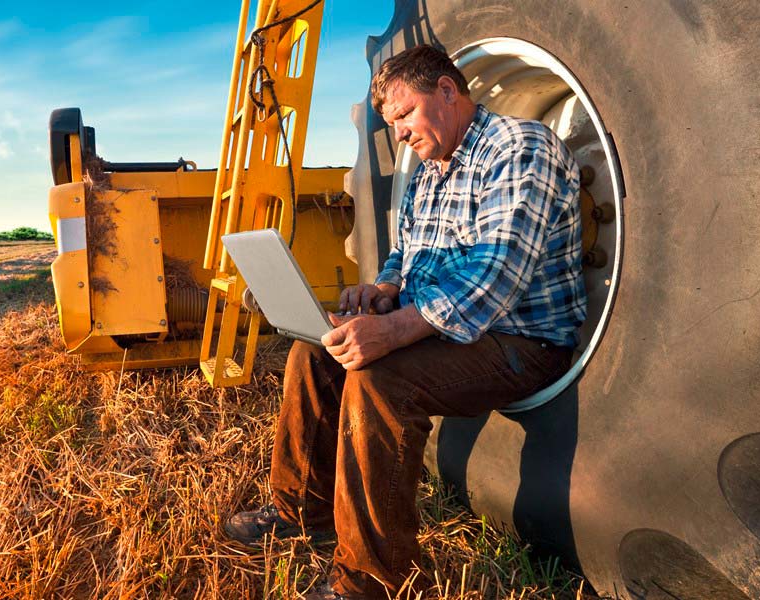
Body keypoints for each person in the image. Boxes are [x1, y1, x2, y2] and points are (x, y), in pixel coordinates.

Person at [223, 45, 587, 599]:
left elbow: (495, 275)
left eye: (403, 115)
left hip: (520, 339)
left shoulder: (519, 148)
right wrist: (385, 289)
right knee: (316, 352)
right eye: (391, 123)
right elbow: (407, 252)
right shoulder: (431, 170)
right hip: (454, 332)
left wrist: (392, 332)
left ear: (446, 91)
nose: (398, 134)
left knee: (377, 379)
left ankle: (371, 580)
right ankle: (300, 512)